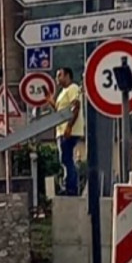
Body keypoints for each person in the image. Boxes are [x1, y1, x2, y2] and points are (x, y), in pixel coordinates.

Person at [51, 67, 85, 196]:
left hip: (69, 131)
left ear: (67, 76)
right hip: (62, 130)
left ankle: (70, 187)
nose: (57, 78)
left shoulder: (73, 88)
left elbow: (75, 107)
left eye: (59, 75)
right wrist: (51, 103)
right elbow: (61, 111)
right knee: (65, 159)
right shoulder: (63, 92)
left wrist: (69, 126)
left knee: (66, 159)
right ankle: (70, 186)